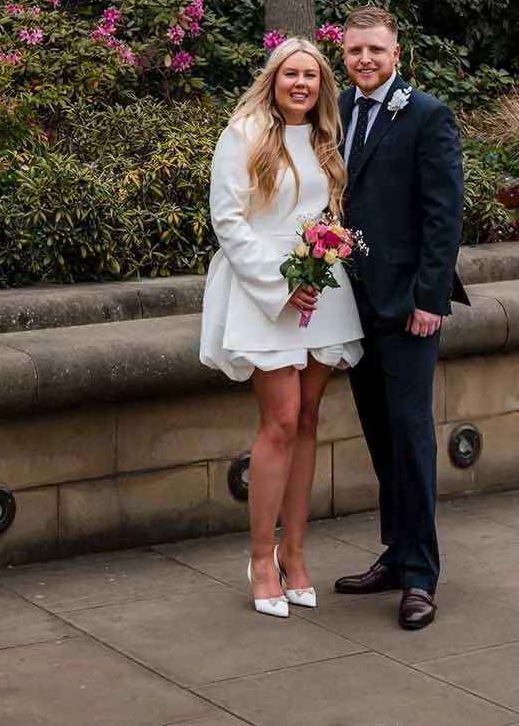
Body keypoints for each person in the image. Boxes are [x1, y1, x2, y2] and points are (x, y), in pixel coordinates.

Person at [199, 37, 363, 617]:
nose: (300, 84)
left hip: (319, 288)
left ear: (322, 86)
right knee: (282, 419)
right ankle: (260, 559)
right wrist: (280, 284)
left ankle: (294, 553)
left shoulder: (324, 138)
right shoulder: (243, 134)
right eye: (291, 74)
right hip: (264, 288)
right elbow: (228, 221)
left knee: (310, 417)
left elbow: (325, 213)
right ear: (273, 79)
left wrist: (322, 259)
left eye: (310, 76)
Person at [332, 5, 466, 633]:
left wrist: (429, 300)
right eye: (355, 50)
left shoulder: (426, 115)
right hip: (352, 303)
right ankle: (395, 552)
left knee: (411, 438)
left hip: (409, 305)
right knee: (379, 434)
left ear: (396, 53)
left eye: (375, 50)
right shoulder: (337, 111)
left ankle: (420, 576)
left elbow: (444, 215)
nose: (365, 59)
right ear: (344, 54)